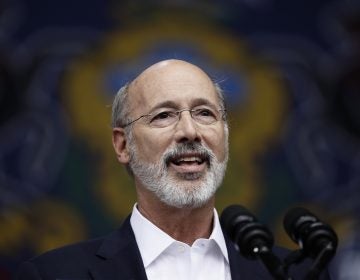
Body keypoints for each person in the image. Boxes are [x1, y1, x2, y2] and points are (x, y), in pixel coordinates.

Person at [16, 59, 330, 279]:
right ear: (123, 145)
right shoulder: (52, 275)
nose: (190, 131)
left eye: (205, 113)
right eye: (164, 115)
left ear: (226, 135)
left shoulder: (295, 274)